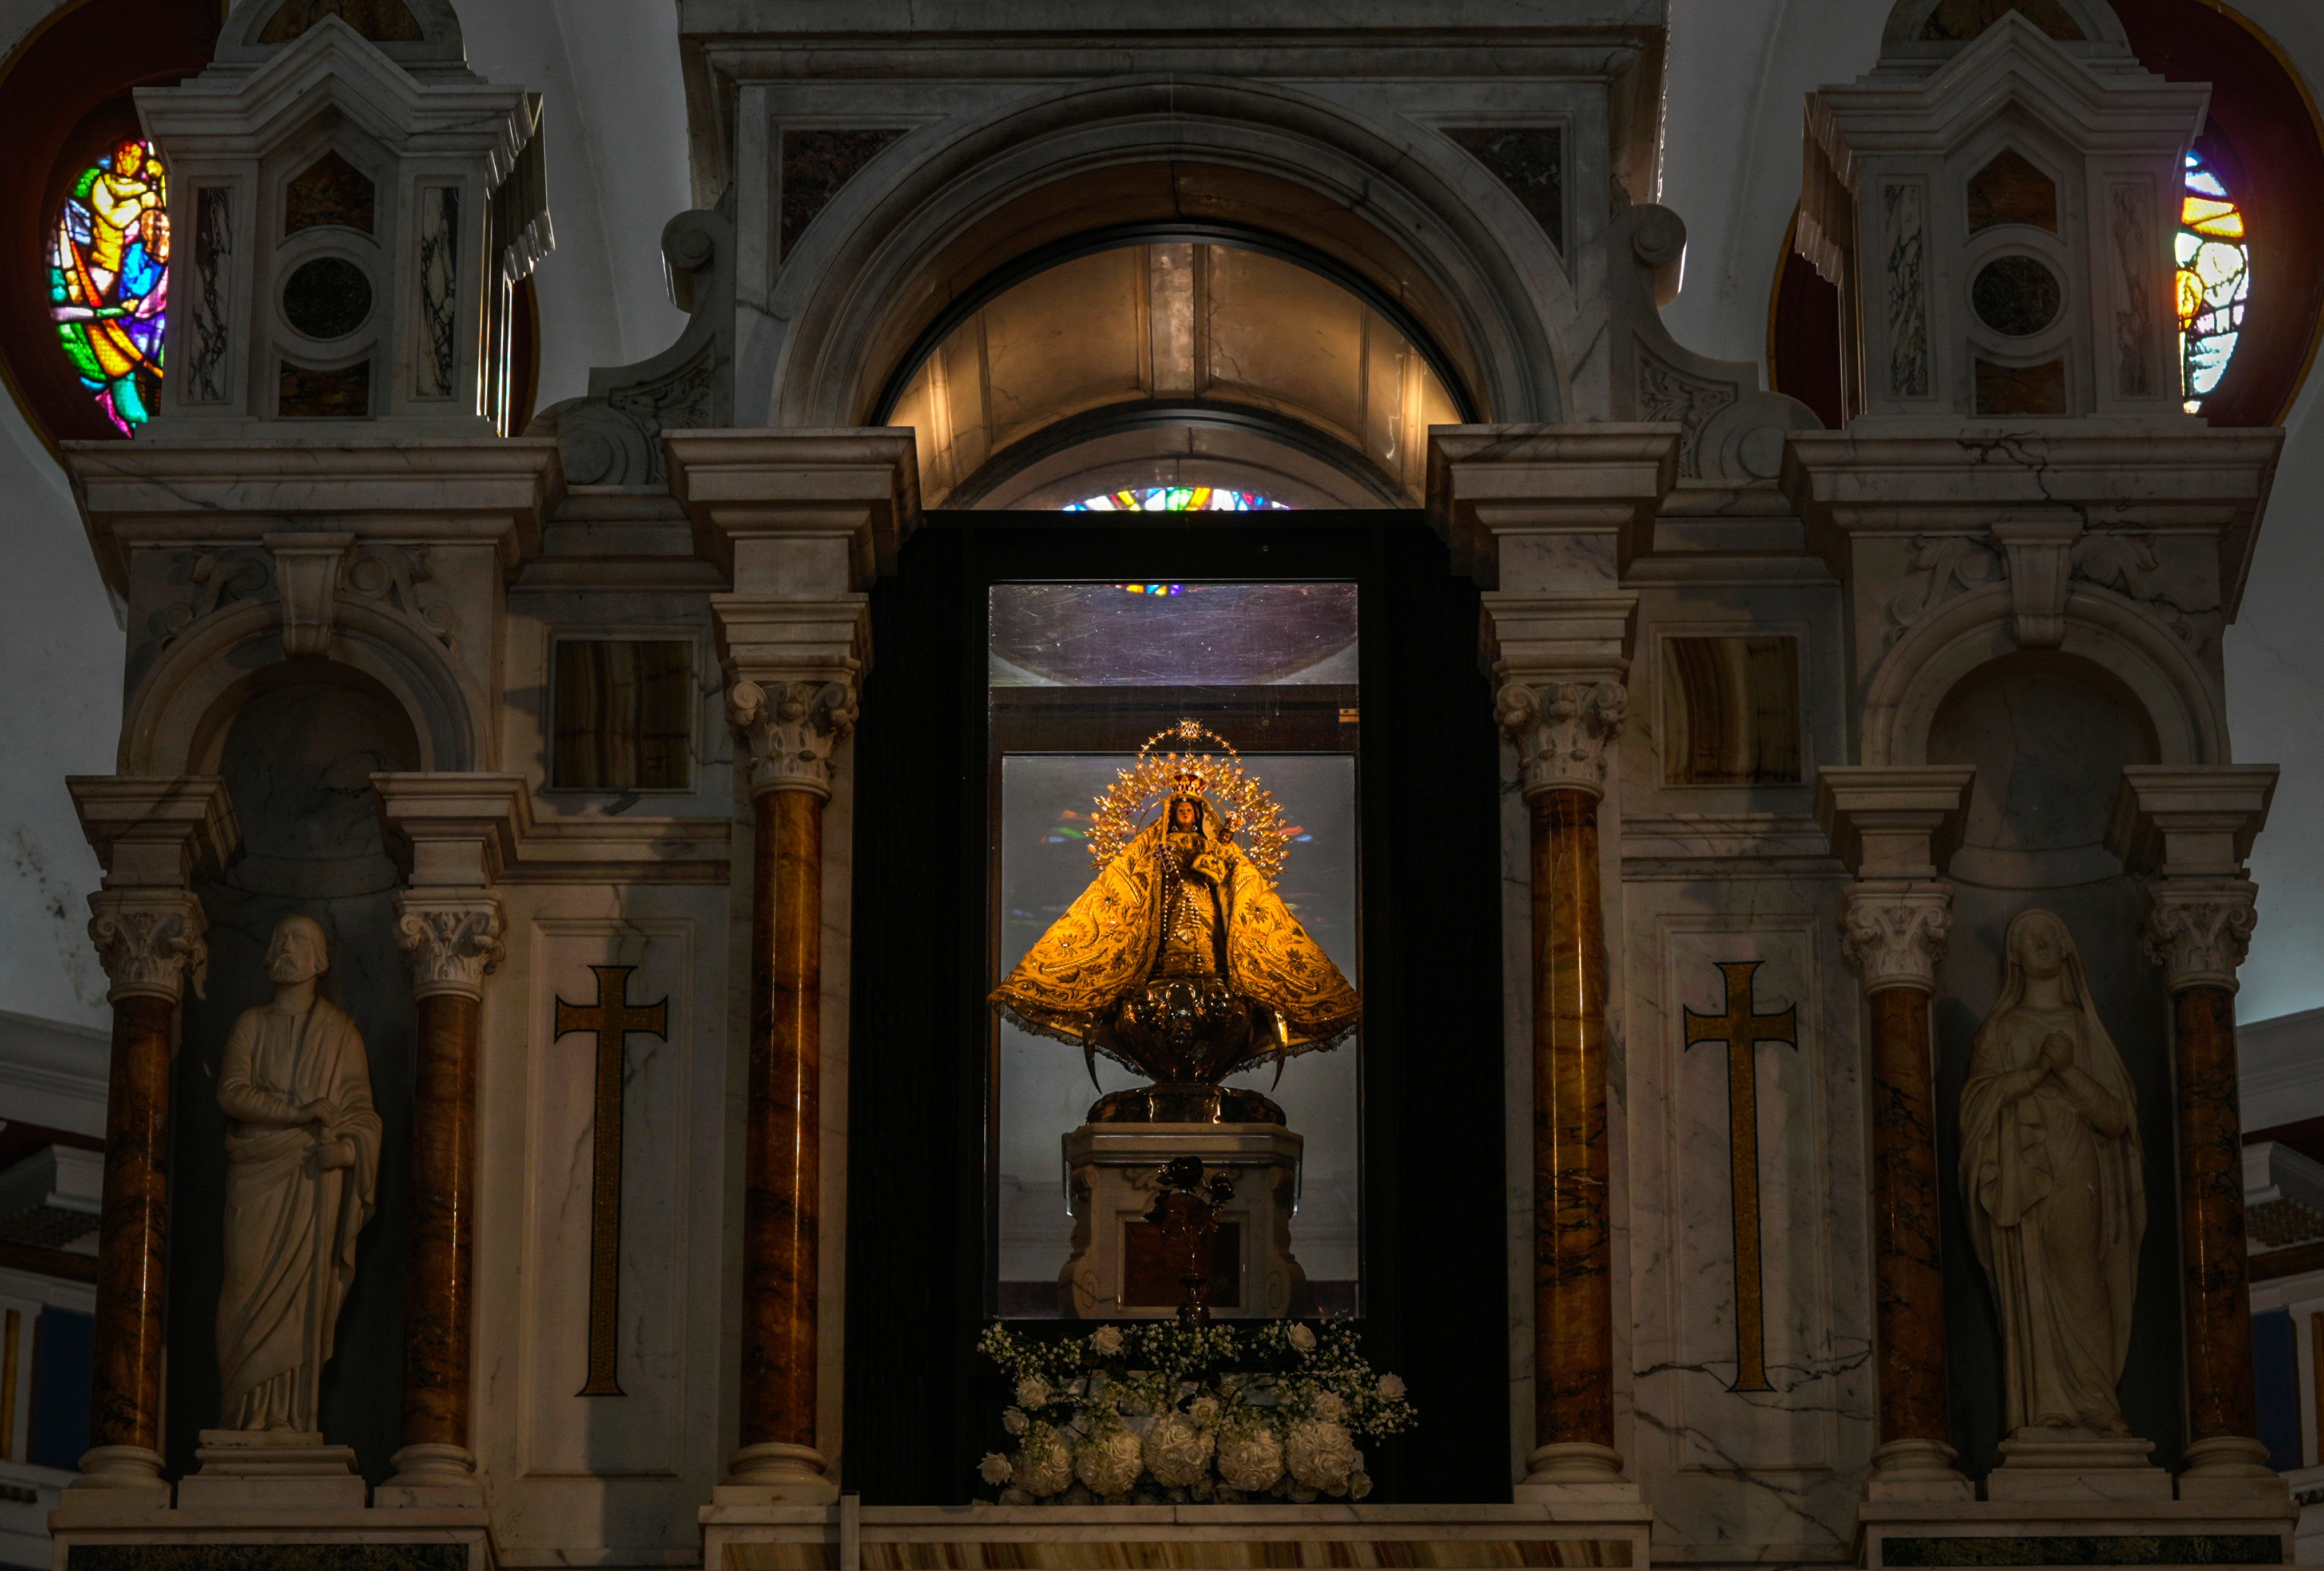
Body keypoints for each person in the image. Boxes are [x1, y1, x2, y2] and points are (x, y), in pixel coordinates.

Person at [1960, 909, 2145, 1437]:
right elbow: (1976, 1108)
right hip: (2019, 1171)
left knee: (2081, 1274)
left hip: (2075, 1165)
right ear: (2013, 957)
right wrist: (2034, 1074)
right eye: (2027, 939)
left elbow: (2114, 1118)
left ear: (2066, 949)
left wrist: (2065, 1071)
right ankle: (2047, 1408)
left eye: (2049, 936)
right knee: (2031, 1281)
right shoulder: (2000, 1030)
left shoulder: (2084, 1027)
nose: (2039, 943)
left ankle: (2095, 1401)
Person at [215, 915, 380, 1433]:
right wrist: (298, 1114)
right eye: (280, 938)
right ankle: (243, 1414)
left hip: (313, 1183)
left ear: (320, 961)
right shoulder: (251, 1024)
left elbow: (361, 1112)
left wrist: (349, 1153)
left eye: (300, 941)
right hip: (257, 1175)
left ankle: (288, 1417)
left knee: (300, 1302)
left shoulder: (340, 1034)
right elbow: (231, 1093)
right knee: (244, 1288)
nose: (287, 947)